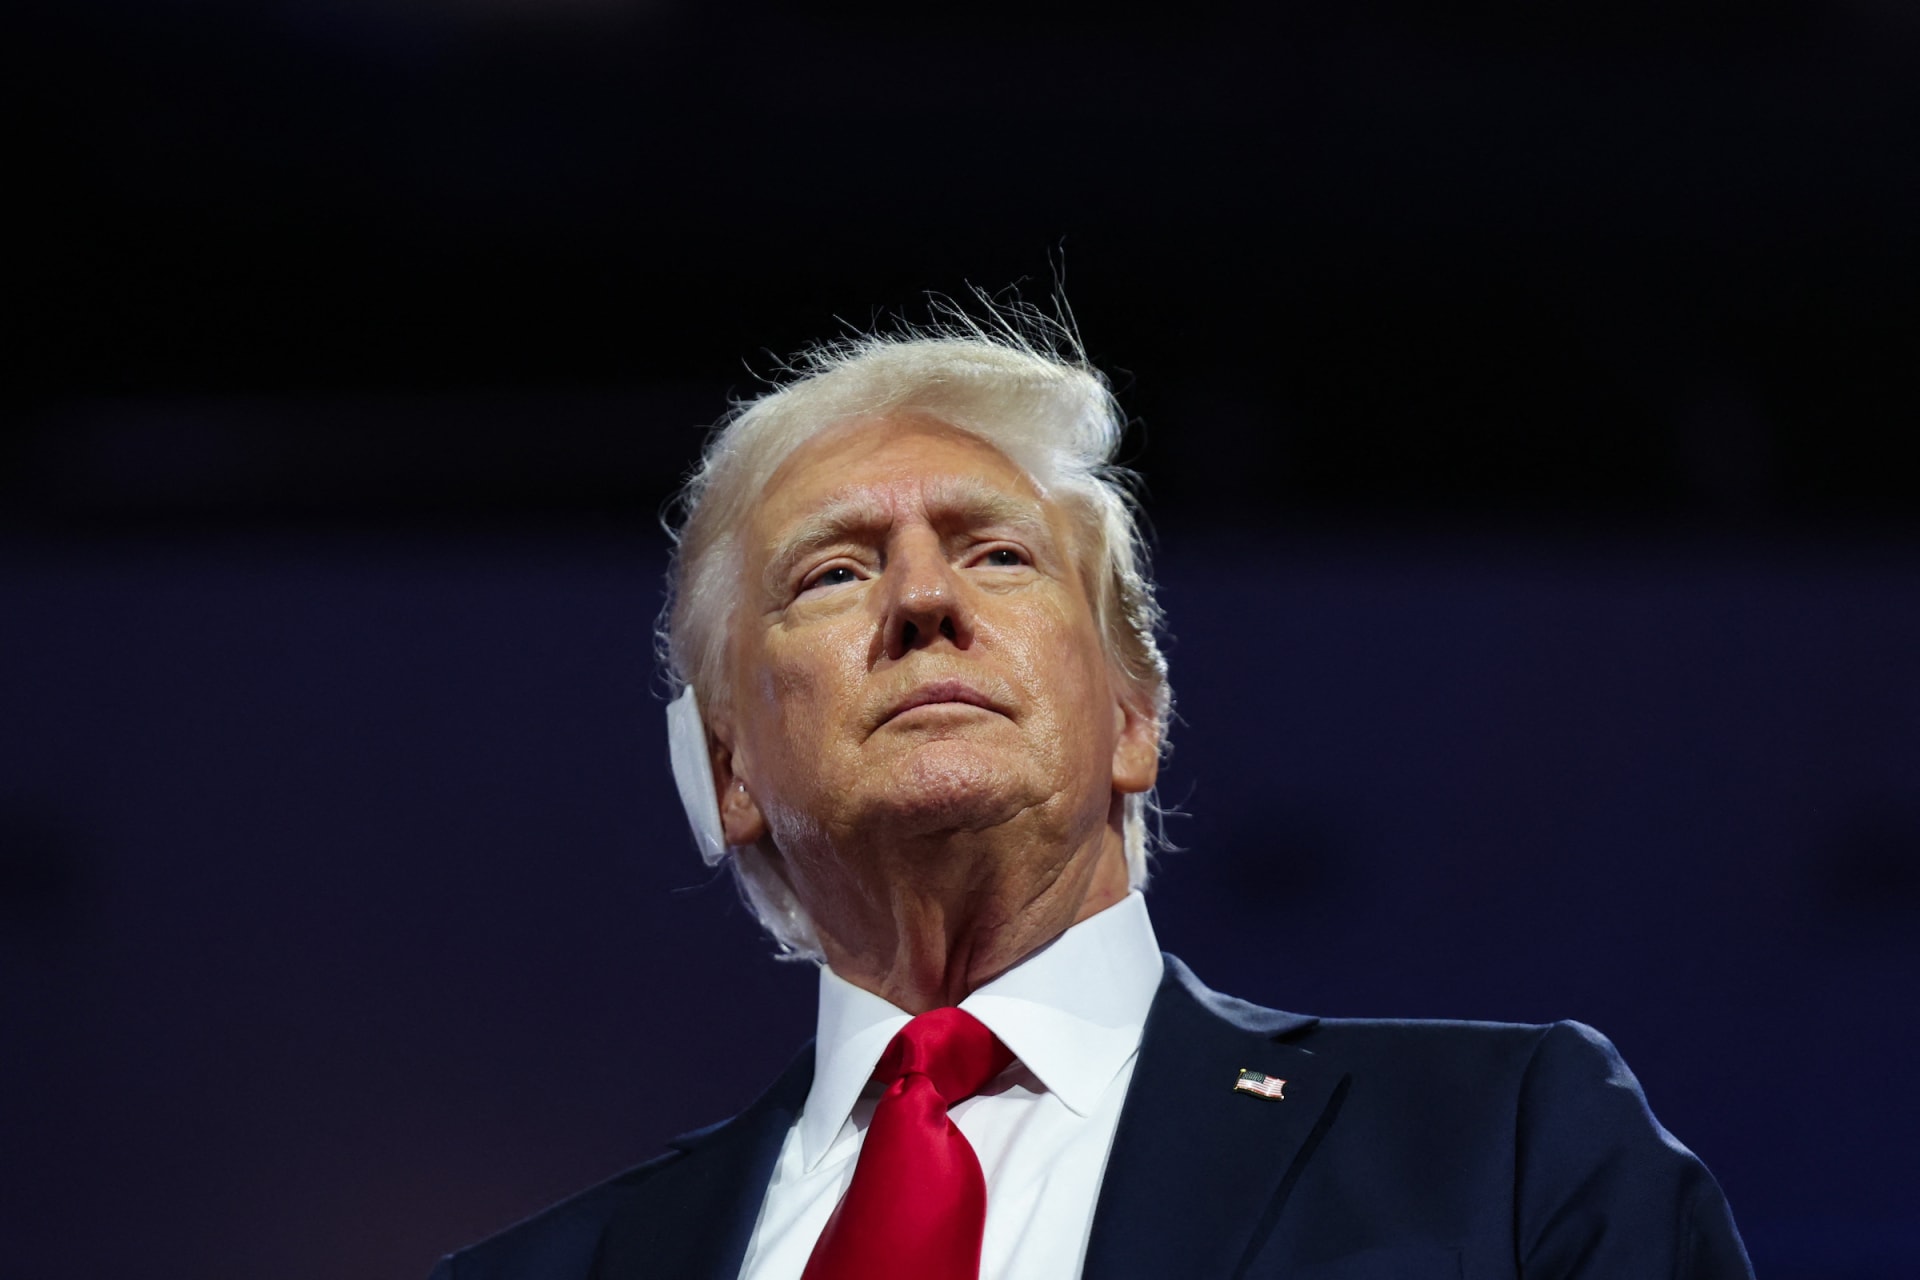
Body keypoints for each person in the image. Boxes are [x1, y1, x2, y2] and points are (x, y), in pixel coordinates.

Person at [431, 308, 1753, 1279]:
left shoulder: (1505, 1151)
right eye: (832, 574)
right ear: (731, 774)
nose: (923, 600)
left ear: (1135, 713)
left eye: (997, 555)